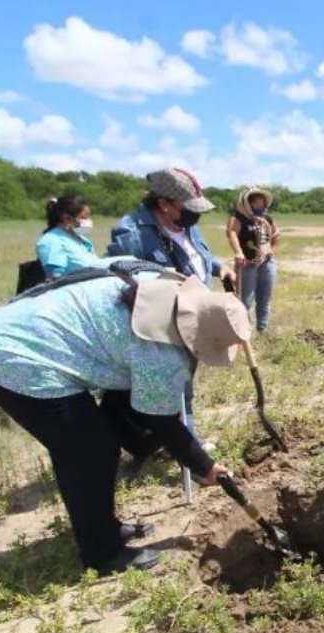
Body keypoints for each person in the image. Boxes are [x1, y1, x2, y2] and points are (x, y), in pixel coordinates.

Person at [0, 267, 245, 574]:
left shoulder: (162, 284)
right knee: (89, 450)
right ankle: (102, 554)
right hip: (13, 356)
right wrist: (204, 466)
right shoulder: (160, 354)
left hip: (15, 327)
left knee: (98, 440)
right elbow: (157, 418)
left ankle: (105, 527)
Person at [107, 168, 236, 442]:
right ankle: (186, 447)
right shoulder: (132, 232)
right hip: (161, 324)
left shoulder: (186, 225)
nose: (194, 214)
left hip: (193, 317)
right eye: (187, 207)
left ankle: (176, 439)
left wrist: (218, 267)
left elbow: (196, 255)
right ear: (164, 203)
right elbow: (118, 278)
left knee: (184, 380)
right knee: (174, 386)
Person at [226, 186, 280, 333]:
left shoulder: (266, 218)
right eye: (256, 202)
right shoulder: (239, 217)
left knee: (264, 299)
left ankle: (263, 329)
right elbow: (231, 233)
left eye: (262, 202)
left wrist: (270, 252)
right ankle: (241, 333)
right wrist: (238, 252)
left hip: (266, 264)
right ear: (248, 202)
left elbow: (276, 235)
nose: (259, 205)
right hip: (247, 264)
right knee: (245, 301)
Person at [35, 195, 105, 279]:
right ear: (67, 218)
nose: (87, 221)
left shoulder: (82, 240)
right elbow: (55, 279)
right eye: (83, 217)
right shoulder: (51, 241)